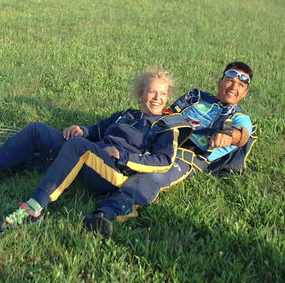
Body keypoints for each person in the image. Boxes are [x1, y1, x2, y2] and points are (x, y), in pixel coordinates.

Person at [0, 68, 191, 236]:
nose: (157, 98)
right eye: (151, 92)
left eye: (162, 94)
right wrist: (82, 130)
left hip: (113, 172)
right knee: (38, 130)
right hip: (92, 152)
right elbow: (99, 129)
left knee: (77, 148)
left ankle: (34, 208)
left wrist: (124, 155)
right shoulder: (126, 114)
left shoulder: (167, 127)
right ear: (141, 94)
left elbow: (163, 161)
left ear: (168, 97)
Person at [82, 61, 255, 237]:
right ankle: (74, 154)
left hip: (187, 153)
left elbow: (242, 134)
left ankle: (104, 215)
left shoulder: (239, 116)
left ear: (245, 92)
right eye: (230, 80)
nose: (234, 86)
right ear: (220, 81)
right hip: (158, 133)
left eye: (241, 85)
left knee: (151, 178)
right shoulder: (196, 97)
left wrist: (228, 135)